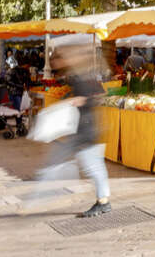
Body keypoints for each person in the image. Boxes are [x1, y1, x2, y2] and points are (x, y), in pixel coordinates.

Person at [48, 46, 112, 217]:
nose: (55, 65)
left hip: (87, 128)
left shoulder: (82, 75)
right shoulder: (77, 74)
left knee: (93, 167)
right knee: (95, 166)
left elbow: (98, 95)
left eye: (56, 61)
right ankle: (103, 200)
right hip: (86, 126)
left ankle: (103, 202)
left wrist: (82, 100)